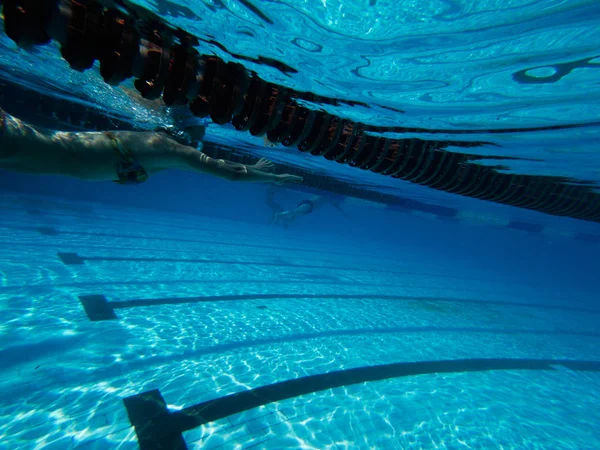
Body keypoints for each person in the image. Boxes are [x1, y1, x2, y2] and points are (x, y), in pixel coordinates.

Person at [0, 107, 303, 186]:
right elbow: (230, 173)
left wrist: (254, 169)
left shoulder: (162, 147)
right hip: (42, 151)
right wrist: (274, 178)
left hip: (43, 158)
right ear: (189, 127)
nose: (205, 132)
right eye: (203, 125)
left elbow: (223, 167)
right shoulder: (171, 149)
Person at [266, 185, 347, 228]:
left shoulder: (329, 198)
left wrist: (341, 210)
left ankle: (283, 220)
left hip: (309, 206)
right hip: (309, 204)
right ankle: (279, 215)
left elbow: (335, 204)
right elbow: (335, 204)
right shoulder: (329, 196)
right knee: (295, 212)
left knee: (295, 215)